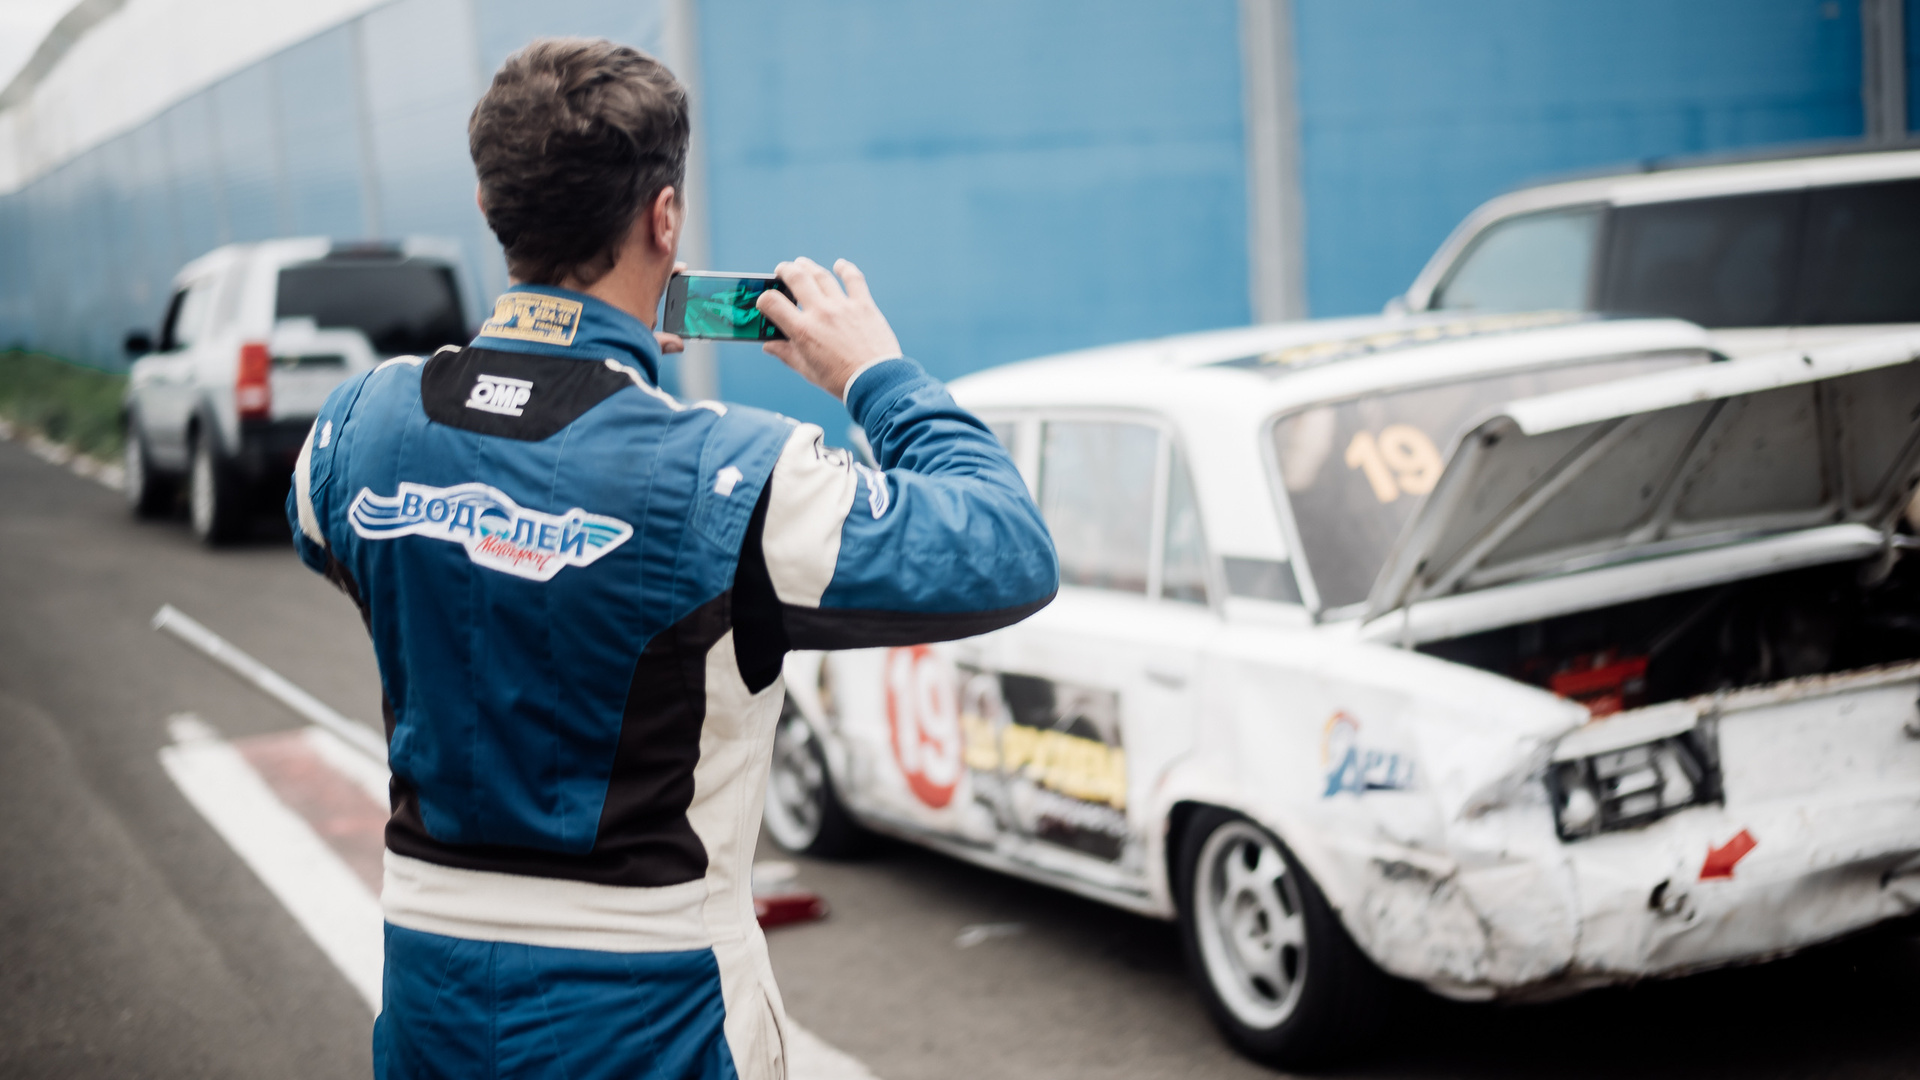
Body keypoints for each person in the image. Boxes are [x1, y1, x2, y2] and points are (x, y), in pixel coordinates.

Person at [286, 37, 1057, 1080]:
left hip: (433, 1000)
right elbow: (1006, 548)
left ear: (489, 206)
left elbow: (333, 535)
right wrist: (876, 374)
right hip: (656, 1010)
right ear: (664, 219)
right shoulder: (728, 470)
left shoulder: (362, 423)